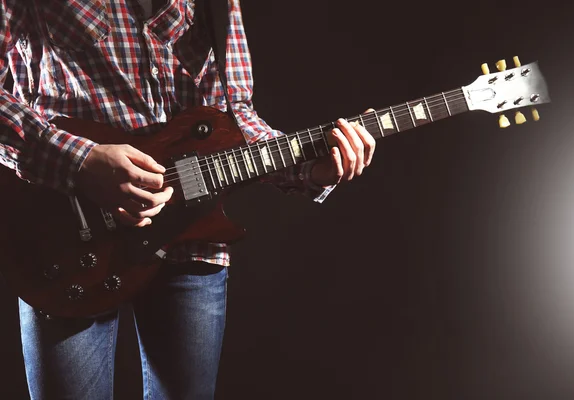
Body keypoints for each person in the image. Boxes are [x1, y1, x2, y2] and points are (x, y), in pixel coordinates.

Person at [0, 0, 376, 399]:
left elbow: (234, 118)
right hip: (64, 227)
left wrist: (311, 167)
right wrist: (79, 162)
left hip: (190, 234)